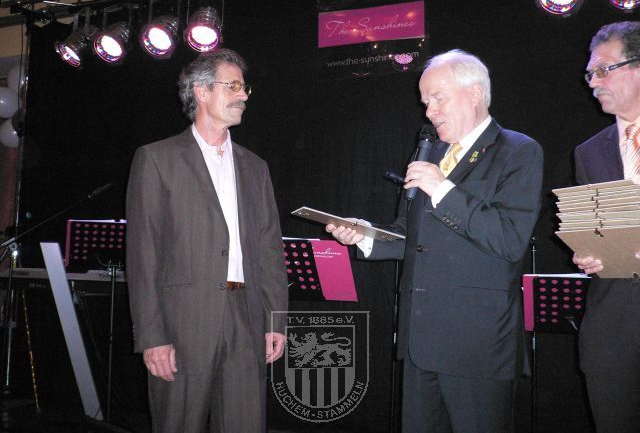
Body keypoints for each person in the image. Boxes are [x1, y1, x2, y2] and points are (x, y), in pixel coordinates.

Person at [327, 50, 543, 433]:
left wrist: (442, 189)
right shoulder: (431, 153)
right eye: (426, 101)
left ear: (475, 93)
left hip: (477, 345)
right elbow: (410, 235)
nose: (429, 112)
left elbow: (509, 239)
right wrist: (365, 234)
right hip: (420, 339)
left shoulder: (517, 150)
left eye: (438, 98)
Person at [126, 48, 288, 433]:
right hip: (182, 323)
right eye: (233, 86)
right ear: (201, 91)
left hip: (246, 317)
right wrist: (152, 336)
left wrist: (275, 320)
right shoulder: (157, 159)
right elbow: (144, 255)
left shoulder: (255, 167)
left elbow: (270, 249)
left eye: (244, 87)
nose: (243, 94)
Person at [572, 21, 640, 433]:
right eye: (590, 75)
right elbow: (594, 232)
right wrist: (589, 254)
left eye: (603, 70)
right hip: (612, 330)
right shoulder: (589, 152)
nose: (593, 83)